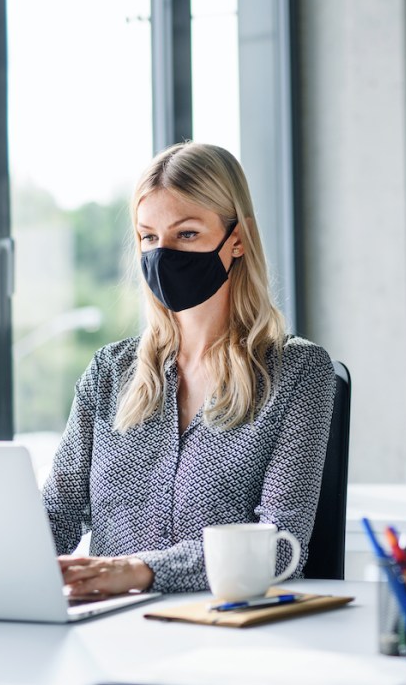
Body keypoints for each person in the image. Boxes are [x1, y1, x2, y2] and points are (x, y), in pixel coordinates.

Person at [42, 141, 336, 596]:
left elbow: (281, 546)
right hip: (106, 627)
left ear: (236, 239)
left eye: (187, 234)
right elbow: (56, 514)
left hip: (223, 634)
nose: (164, 254)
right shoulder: (109, 372)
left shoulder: (299, 372)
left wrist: (142, 570)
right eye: (150, 237)